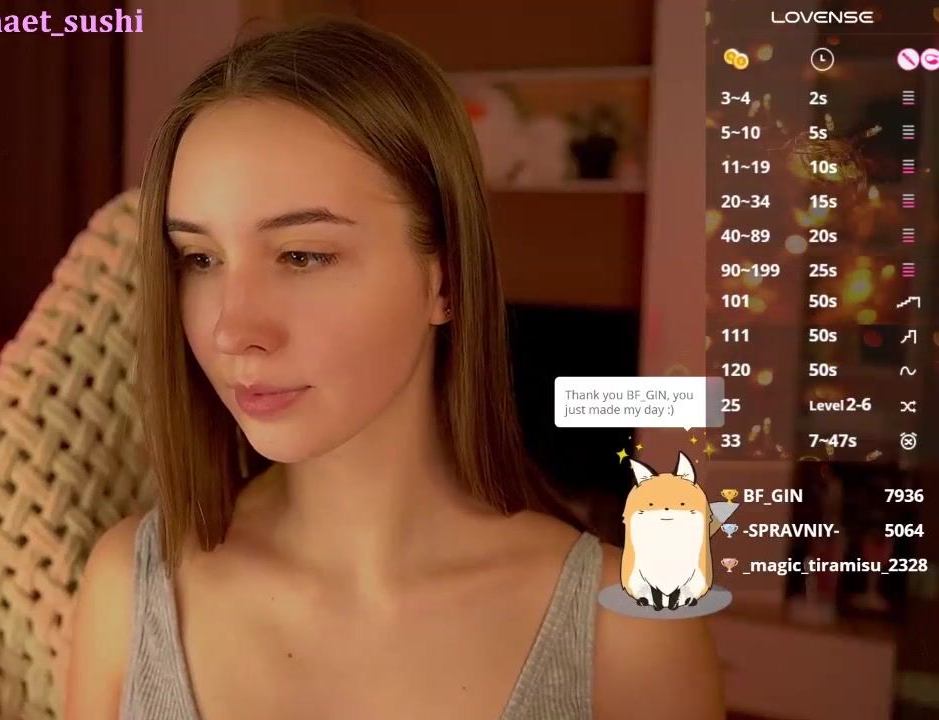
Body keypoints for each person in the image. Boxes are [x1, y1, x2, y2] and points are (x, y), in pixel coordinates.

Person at [66, 16, 724, 720]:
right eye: (200, 258)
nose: (232, 329)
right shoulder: (129, 589)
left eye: (302, 256)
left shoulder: (630, 628)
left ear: (446, 280)